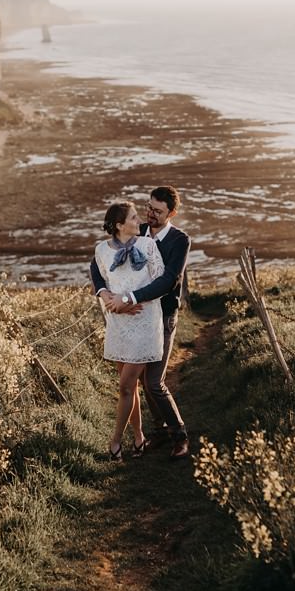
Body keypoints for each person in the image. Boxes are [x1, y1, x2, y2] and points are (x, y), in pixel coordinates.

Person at [91, 185, 191, 460]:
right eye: (148, 208)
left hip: (162, 315)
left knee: (154, 382)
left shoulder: (179, 240)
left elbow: (168, 280)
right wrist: (106, 294)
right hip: (126, 318)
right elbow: (99, 262)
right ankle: (152, 433)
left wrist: (131, 298)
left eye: (157, 212)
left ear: (171, 213)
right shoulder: (140, 231)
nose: (150, 215)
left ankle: (179, 435)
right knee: (138, 383)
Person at [94, 202, 166, 461]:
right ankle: (138, 439)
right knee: (130, 388)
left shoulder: (147, 246)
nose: (140, 221)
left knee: (125, 386)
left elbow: (160, 282)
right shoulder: (101, 250)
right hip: (118, 324)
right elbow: (101, 280)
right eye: (134, 218)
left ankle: (115, 444)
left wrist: (130, 301)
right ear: (119, 225)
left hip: (145, 322)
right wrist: (107, 298)